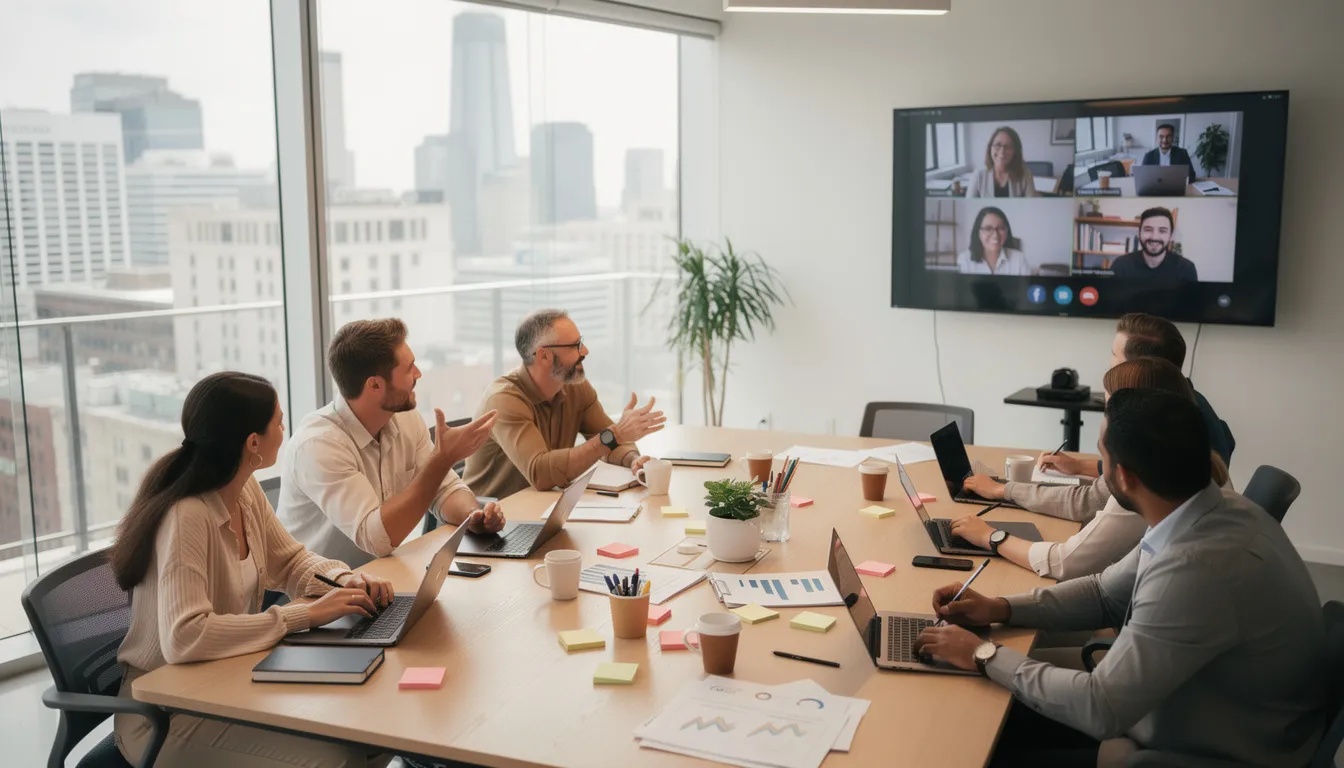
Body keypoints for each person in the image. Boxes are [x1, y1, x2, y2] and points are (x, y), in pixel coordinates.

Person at [913, 389, 1328, 766]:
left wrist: (983, 654)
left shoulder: (1195, 570)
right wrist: (1000, 607)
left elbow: (1101, 708)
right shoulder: (1212, 508)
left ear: (1124, 478)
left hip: (1200, 750)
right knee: (988, 704)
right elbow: (1104, 593)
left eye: (1102, 456)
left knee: (976, 735)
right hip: (1204, 713)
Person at [111, 372, 395, 767]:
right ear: (253, 443)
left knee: (371, 733)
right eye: (279, 421)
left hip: (225, 683)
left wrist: (343, 580)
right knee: (337, 759)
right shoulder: (187, 516)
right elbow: (184, 636)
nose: (285, 429)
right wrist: (305, 614)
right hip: (163, 715)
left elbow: (291, 560)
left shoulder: (243, 489)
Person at [948, 357, 1231, 581]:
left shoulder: (1148, 488)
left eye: (1108, 406)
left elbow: (1066, 561)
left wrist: (991, 535)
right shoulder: (1195, 468)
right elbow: (1106, 593)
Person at [279, 318, 506, 567]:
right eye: (409, 369)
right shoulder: (318, 445)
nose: (418, 374)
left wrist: (473, 517)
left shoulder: (404, 418)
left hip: (381, 574)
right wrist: (443, 459)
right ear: (375, 384)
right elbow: (375, 539)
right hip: (322, 585)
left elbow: (443, 489)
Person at [463, 308, 666, 500]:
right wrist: (616, 433)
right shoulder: (504, 400)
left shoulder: (574, 386)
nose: (585, 351)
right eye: (575, 346)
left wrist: (632, 459)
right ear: (544, 355)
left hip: (544, 507)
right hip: (491, 517)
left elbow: (608, 441)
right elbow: (540, 473)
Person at [1109, 207, 1198, 281]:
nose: (1155, 237)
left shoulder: (1186, 269)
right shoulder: (1121, 266)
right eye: (1148, 230)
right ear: (1139, 233)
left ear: (1171, 236)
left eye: (1162, 231)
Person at [956, 206, 1033, 276]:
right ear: (978, 232)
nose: (995, 235)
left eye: (1001, 228)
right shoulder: (965, 260)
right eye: (988, 228)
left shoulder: (1019, 259)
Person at [965, 126, 1039, 198]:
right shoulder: (978, 175)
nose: (1002, 151)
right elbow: (969, 202)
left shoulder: (1026, 175)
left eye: (1008, 146)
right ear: (990, 148)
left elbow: (1031, 203)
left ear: (1015, 151)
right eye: (997, 145)